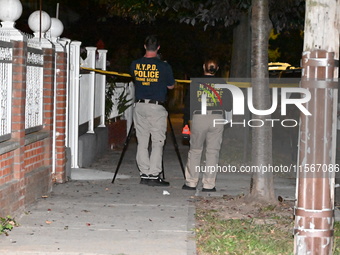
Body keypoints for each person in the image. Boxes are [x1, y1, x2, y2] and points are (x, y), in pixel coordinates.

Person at [130, 35, 175, 186]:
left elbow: (136, 80)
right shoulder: (164, 66)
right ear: (158, 48)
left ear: (144, 46)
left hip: (140, 106)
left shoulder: (135, 64)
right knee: (157, 141)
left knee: (142, 141)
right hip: (156, 107)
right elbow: (171, 86)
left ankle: (144, 173)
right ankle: (154, 175)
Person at [182, 58, 225, 192]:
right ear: (217, 69)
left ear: (203, 67)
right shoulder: (223, 83)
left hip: (199, 117)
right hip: (217, 117)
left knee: (195, 150)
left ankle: (191, 182)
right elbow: (228, 104)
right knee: (213, 152)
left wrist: (186, 122)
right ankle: (209, 184)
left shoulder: (195, 83)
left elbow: (188, 104)